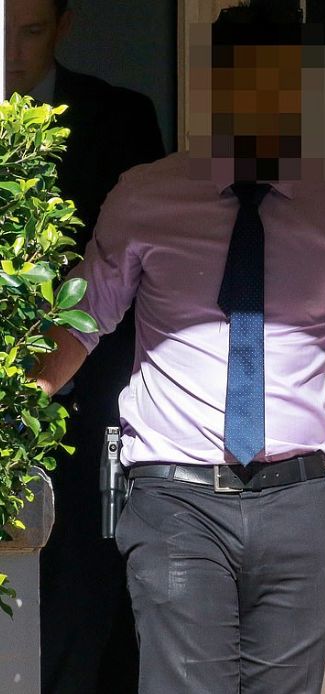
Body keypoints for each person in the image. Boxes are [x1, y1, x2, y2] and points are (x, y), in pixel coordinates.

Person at [33, 2, 325, 692]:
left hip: (299, 503)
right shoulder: (146, 197)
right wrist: (15, 405)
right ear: (216, 89)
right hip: (176, 501)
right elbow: (80, 322)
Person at [6, 1, 165, 692]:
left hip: (90, 403)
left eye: (31, 31)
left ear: (64, 25)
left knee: (86, 591)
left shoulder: (119, 117)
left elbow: (145, 269)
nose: (12, 51)